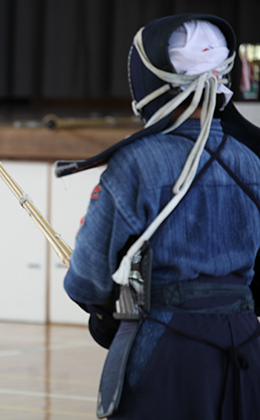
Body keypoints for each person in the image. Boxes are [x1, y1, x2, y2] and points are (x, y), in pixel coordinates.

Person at [54, 14, 260, 419]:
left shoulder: (136, 163)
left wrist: (107, 312)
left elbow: (86, 280)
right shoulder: (252, 162)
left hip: (169, 348)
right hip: (246, 346)